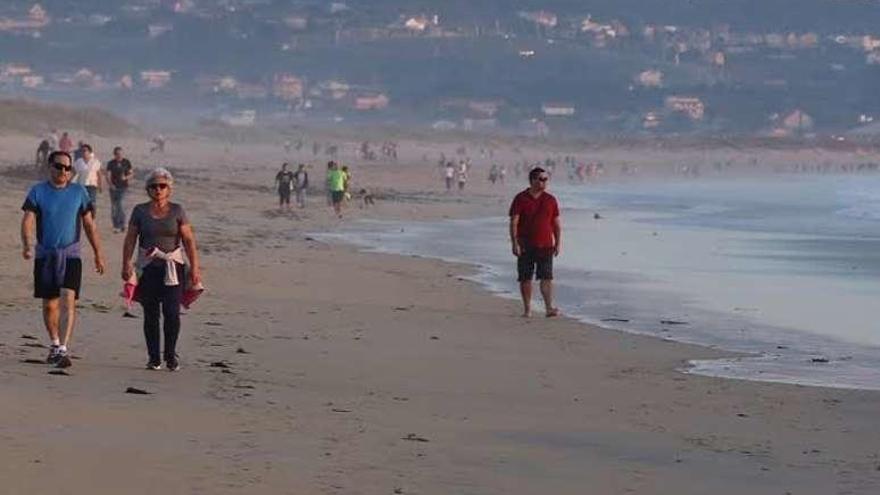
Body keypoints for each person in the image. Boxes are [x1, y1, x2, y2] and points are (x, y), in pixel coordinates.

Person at [20, 151, 106, 368]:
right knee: (50, 304)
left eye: (68, 168)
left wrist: (98, 254)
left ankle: (63, 348)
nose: (64, 171)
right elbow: (28, 220)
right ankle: (54, 342)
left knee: (68, 298)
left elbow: (89, 225)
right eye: (59, 167)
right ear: (50, 167)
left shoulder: (79, 192)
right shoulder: (38, 191)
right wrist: (27, 245)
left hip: (71, 254)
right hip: (46, 254)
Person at [122, 168, 201, 371]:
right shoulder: (140, 211)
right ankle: (154, 357)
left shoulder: (177, 211)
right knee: (150, 314)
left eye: (162, 186)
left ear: (169, 189)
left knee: (172, 312)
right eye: (154, 186)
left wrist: (195, 269)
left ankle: (170, 355)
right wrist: (126, 263)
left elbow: (189, 241)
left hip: (173, 268)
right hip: (148, 268)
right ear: (148, 189)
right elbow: (130, 239)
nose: (158, 189)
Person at [509, 167, 561, 318]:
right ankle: (527, 309)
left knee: (546, 277)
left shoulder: (550, 200)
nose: (544, 182)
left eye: (546, 179)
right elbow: (514, 222)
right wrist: (514, 243)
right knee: (525, 278)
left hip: (546, 244)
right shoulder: (521, 198)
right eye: (541, 179)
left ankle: (549, 308)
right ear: (533, 180)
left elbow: (556, 223)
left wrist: (558, 243)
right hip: (525, 244)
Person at [105, 146, 134, 233]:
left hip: (123, 187)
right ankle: (116, 226)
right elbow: (108, 175)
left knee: (120, 205)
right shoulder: (111, 163)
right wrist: (110, 184)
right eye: (117, 154)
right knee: (114, 207)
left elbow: (131, 174)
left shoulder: (126, 162)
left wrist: (126, 177)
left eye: (120, 154)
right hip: (113, 188)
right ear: (114, 154)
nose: (119, 156)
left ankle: (123, 224)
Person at [73, 143, 103, 211]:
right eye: (82, 151)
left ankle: (92, 216)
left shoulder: (95, 161)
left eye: (85, 150)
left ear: (89, 152)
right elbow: (73, 173)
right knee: (81, 203)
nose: (83, 152)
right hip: (81, 185)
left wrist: (100, 185)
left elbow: (99, 174)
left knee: (92, 202)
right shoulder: (78, 162)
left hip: (92, 185)